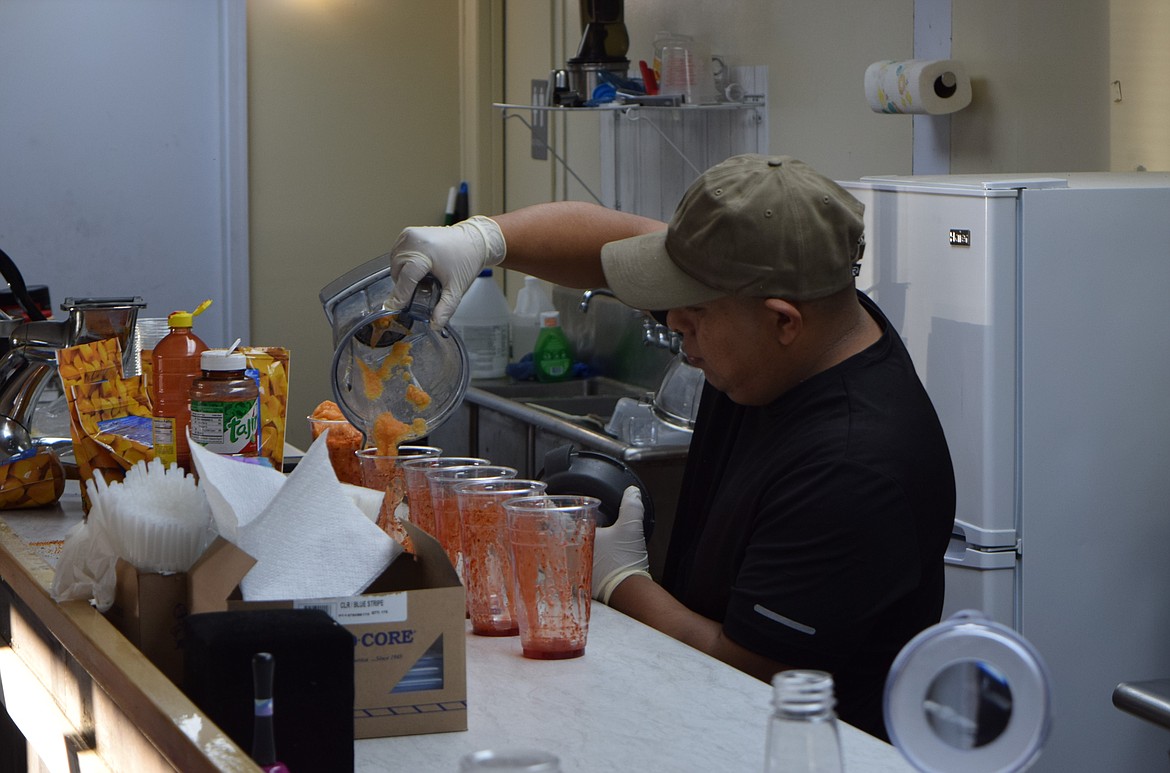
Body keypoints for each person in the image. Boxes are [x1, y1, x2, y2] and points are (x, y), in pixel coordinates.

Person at [384, 154, 956, 740]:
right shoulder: (801, 309)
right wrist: (484, 239)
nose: (673, 326)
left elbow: (754, 673)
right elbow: (610, 244)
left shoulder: (854, 468)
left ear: (784, 321)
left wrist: (617, 580)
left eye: (693, 316)